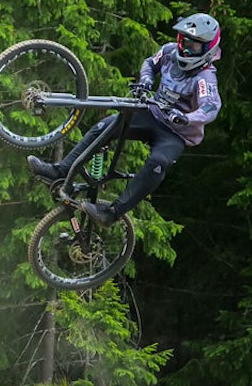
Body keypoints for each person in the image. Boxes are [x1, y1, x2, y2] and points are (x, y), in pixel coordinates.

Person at [27, 13, 223, 226]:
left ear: (207, 49)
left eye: (194, 46)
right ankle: (60, 171)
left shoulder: (205, 77)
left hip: (176, 133)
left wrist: (186, 118)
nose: (186, 49)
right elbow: (150, 64)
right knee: (105, 126)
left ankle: (112, 213)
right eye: (184, 42)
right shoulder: (169, 51)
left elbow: (211, 107)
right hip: (152, 114)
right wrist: (146, 80)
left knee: (158, 163)